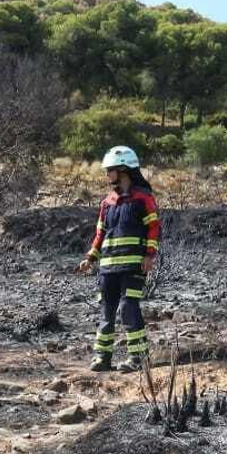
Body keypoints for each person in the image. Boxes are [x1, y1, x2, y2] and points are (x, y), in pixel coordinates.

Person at [76, 146, 160, 372]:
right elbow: (100, 234)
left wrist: (149, 256)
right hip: (108, 267)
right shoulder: (107, 203)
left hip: (133, 265)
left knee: (128, 308)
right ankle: (102, 357)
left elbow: (153, 228)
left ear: (123, 170)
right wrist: (91, 258)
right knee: (106, 310)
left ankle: (138, 358)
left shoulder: (144, 198)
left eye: (109, 170)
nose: (106, 175)